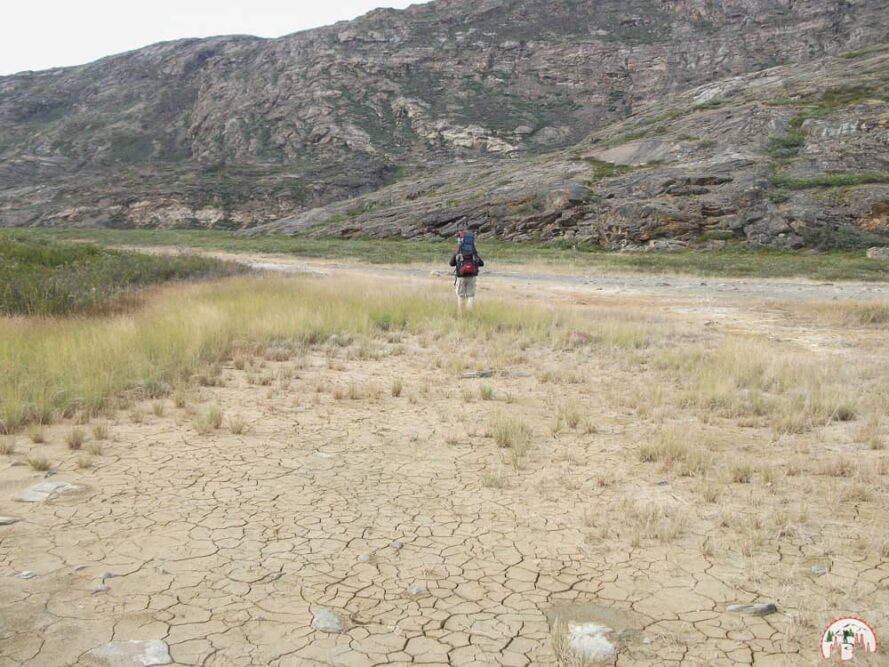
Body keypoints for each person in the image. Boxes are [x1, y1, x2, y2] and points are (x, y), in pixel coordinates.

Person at [449, 230, 484, 311]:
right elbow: (482, 263)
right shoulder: (473, 252)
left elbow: (451, 263)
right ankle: (469, 313)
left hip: (461, 276)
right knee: (471, 295)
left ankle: (461, 314)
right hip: (472, 276)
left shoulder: (458, 251)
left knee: (460, 295)